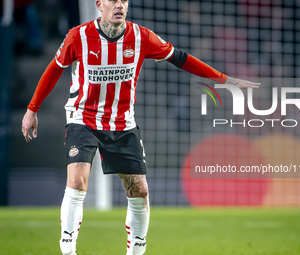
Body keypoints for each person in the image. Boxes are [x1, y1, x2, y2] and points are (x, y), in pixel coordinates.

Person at [21, 0, 260, 254]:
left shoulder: (141, 36)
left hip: (123, 123)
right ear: (99, 5)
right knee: (78, 181)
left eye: (124, 0)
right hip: (83, 119)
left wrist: (223, 79)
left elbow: (181, 59)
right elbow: (54, 70)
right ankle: (68, 249)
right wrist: (32, 109)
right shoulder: (77, 36)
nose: (120, 5)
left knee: (140, 191)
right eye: (113, 0)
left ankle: (136, 251)